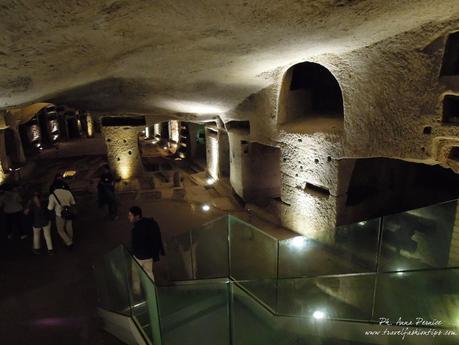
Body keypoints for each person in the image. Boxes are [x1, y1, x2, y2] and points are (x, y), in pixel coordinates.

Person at [128, 206, 165, 282]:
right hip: (149, 256)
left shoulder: (137, 229)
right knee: (149, 274)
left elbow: (136, 244)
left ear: (137, 216)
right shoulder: (149, 223)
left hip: (139, 256)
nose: (128, 217)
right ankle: (151, 292)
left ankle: (136, 291)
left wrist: (133, 252)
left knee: (135, 274)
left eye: (130, 215)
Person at [48, 180, 76, 248]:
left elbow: (50, 208)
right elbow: (73, 203)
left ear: (54, 186)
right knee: (69, 227)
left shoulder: (52, 195)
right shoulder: (68, 192)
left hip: (59, 214)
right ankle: (70, 240)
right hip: (69, 212)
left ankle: (69, 242)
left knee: (60, 230)